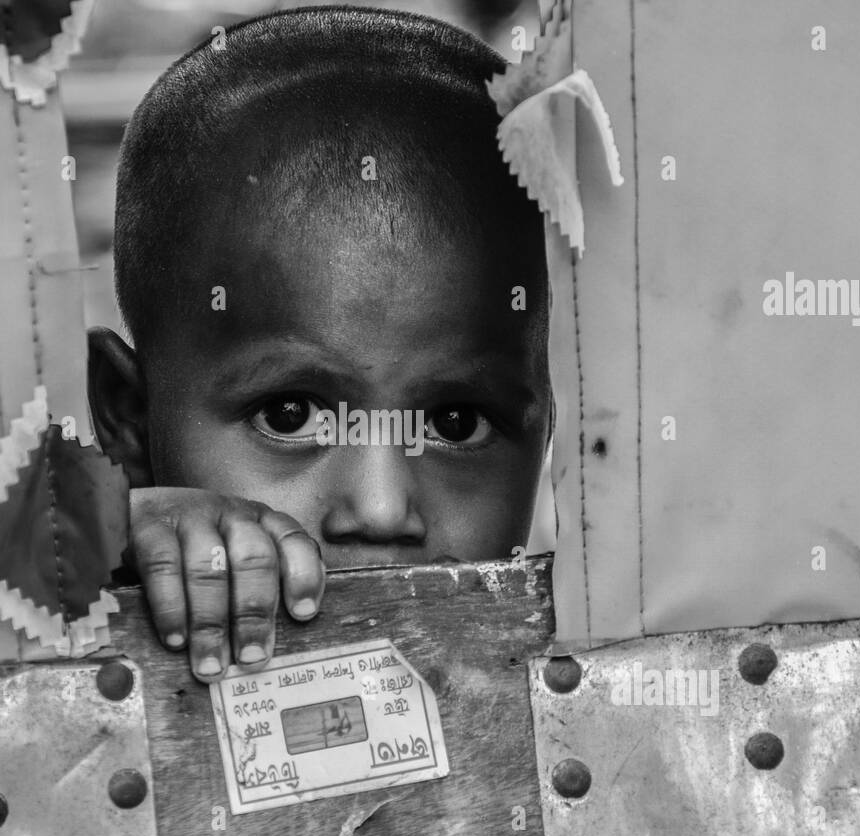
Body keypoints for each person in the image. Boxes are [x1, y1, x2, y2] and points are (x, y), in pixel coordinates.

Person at [88, 7, 550, 682]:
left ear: (549, 429)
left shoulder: (599, 651)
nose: (382, 508)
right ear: (127, 418)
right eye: (290, 415)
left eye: (457, 422)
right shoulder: (67, 608)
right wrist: (100, 533)